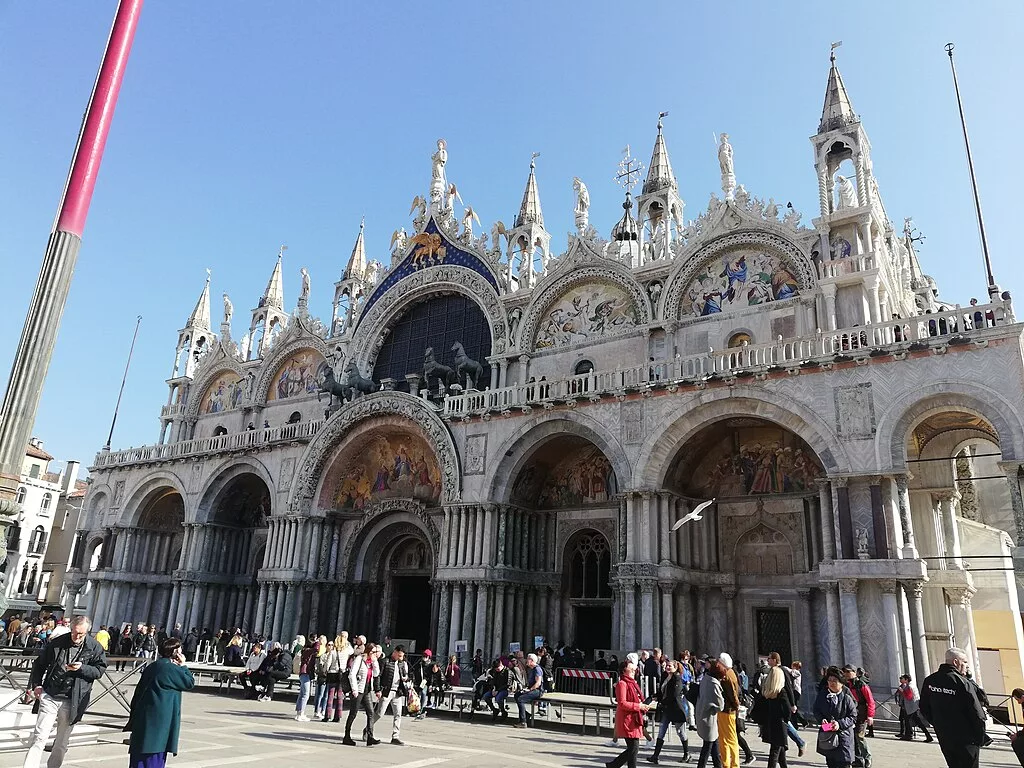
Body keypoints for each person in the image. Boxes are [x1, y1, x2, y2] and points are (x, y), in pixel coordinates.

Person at [22, 616, 107, 768]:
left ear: (87, 632)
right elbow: (39, 664)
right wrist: (37, 685)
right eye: (75, 632)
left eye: (81, 634)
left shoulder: (95, 647)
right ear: (71, 629)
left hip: (73, 699)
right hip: (50, 695)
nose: (77, 636)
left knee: (61, 742)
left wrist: (82, 668)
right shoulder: (57, 643)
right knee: (39, 737)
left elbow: (99, 671)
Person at [124, 637, 195, 768]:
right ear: (175, 652)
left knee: (139, 758)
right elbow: (189, 682)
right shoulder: (170, 668)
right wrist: (184, 665)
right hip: (159, 724)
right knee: (154, 758)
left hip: (145, 719)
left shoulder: (153, 666)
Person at [920, 647, 988, 768]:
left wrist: (937, 723)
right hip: (966, 737)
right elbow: (977, 711)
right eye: (965, 662)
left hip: (945, 735)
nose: (967, 666)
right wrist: (980, 736)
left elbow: (924, 707)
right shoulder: (962, 682)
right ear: (956, 662)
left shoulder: (930, 680)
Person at [609, 657, 651, 768]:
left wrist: (643, 706)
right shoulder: (622, 684)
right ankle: (613, 765)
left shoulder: (633, 683)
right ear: (624, 671)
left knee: (633, 749)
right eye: (631, 669)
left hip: (634, 718)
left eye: (634, 670)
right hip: (627, 719)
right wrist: (639, 706)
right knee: (634, 748)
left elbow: (637, 699)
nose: (633, 672)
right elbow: (622, 703)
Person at [813, 666, 857, 768]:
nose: (831, 683)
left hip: (843, 736)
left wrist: (839, 724)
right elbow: (816, 710)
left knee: (843, 763)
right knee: (831, 762)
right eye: (829, 680)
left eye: (835, 681)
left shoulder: (846, 697)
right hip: (828, 736)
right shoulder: (823, 695)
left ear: (841, 683)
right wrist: (821, 719)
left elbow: (853, 716)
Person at [647, 659, 690, 764]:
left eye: (670, 666)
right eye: (667, 666)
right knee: (661, 731)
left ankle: (687, 753)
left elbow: (674, 695)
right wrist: (655, 696)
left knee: (680, 732)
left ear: (675, 668)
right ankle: (655, 756)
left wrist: (662, 702)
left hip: (676, 709)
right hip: (666, 709)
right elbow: (662, 691)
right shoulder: (665, 677)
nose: (667, 667)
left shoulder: (677, 679)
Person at [752, 665, 793, 768]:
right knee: (775, 751)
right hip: (780, 723)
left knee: (780, 749)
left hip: (770, 722)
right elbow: (787, 710)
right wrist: (786, 719)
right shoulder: (781, 692)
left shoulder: (766, 692)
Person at [343, 644, 379, 747]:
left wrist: (375, 661)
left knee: (371, 713)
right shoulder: (359, 659)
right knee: (353, 713)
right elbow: (352, 674)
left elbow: (376, 674)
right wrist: (354, 689)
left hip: (367, 690)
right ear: (368, 651)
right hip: (358, 689)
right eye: (373, 652)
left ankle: (370, 737)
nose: (375, 654)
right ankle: (347, 736)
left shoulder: (371, 662)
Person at [374, 645, 410, 745]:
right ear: (394, 652)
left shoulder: (402, 664)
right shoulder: (385, 661)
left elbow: (407, 676)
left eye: (402, 656)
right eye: (399, 655)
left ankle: (395, 736)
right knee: (380, 713)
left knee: (398, 714)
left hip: (397, 691)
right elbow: (378, 676)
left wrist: (405, 678)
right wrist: (378, 689)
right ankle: (368, 728)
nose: (400, 658)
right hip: (386, 691)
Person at [842, 665, 874, 767]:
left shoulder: (861, 685)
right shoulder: (845, 684)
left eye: (848, 671)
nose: (846, 674)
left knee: (859, 737)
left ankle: (867, 758)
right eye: (845, 672)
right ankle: (857, 759)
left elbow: (870, 701)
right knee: (852, 737)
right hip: (850, 714)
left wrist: (870, 716)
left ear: (854, 672)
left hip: (861, 714)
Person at [696, 653, 724, 768]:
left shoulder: (705, 679)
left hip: (703, 715)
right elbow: (720, 705)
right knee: (707, 746)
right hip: (709, 718)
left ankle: (718, 765)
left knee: (713, 744)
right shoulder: (713, 684)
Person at [716, 654, 741, 768]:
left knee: (730, 739)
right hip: (726, 710)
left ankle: (733, 764)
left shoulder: (727, 675)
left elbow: (733, 694)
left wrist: (736, 705)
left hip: (728, 710)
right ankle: (726, 763)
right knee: (725, 738)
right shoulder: (729, 673)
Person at [895, 674, 932, 742]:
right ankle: (927, 735)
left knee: (908, 721)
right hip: (913, 706)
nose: (900, 679)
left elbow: (908, 697)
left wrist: (902, 691)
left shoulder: (909, 686)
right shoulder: (912, 685)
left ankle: (909, 735)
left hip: (910, 706)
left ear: (906, 679)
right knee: (917, 721)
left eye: (901, 678)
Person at [513, 653, 545, 728]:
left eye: (527, 659)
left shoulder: (537, 669)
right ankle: (526, 714)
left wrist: (529, 690)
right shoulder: (531, 669)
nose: (526, 660)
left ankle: (523, 722)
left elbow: (538, 683)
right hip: (532, 689)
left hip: (538, 691)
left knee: (520, 699)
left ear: (532, 660)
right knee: (517, 695)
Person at [295, 638, 317, 721]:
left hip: (304, 673)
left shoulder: (305, 650)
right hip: (305, 673)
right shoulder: (308, 651)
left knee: (302, 694)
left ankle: (298, 712)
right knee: (306, 694)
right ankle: (301, 713)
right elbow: (316, 649)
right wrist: (317, 642)